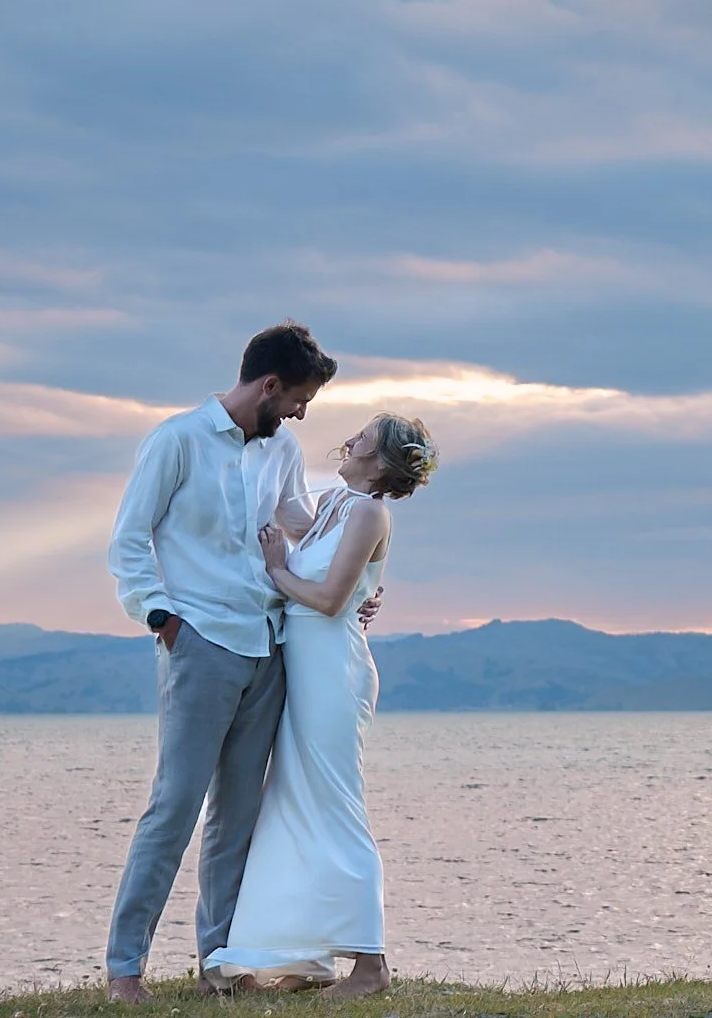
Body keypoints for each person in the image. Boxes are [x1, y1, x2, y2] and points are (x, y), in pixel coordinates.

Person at [102, 322, 379, 1003]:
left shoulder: (282, 449)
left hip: (270, 647)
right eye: (298, 400)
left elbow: (304, 525)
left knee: (237, 818)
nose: (301, 415)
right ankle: (124, 970)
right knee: (173, 809)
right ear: (269, 384)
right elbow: (129, 540)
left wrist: (359, 583)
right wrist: (162, 619)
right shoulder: (176, 441)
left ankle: (216, 966)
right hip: (200, 645)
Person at [200, 412, 439, 999]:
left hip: (333, 672)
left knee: (335, 806)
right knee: (293, 804)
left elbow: (332, 600)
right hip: (304, 670)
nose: (350, 438)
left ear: (380, 462)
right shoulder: (335, 501)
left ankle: (372, 966)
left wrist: (279, 570)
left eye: (363, 437)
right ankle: (300, 953)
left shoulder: (368, 511)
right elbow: (338, 574)